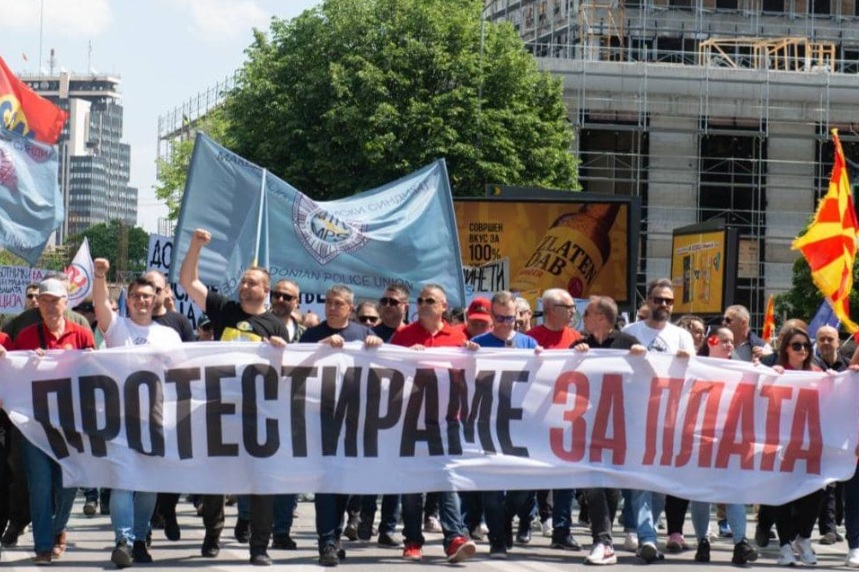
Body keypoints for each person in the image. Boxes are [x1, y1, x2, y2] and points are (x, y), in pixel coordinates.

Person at [179, 228, 287, 567]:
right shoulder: (224, 309)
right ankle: (213, 533)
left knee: (261, 482)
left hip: (258, 414)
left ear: (266, 290)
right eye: (243, 281)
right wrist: (195, 246)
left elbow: (285, 374)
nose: (245, 286)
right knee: (215, 479)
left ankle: (259, 546)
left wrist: (281, 351)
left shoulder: (276, 326)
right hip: (221, 409)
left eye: (253, 283)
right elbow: (188, 282)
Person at [93, 260, 183, 567]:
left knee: (147, 485)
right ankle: (124, 541)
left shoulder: (169, 336)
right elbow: (100, 303)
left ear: (155, 299)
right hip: (120, 420)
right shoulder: (118, 328)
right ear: (128, 300)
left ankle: (141, 538)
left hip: (156, 419)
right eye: (136, 296)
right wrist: (100, 276)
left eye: (147, 296)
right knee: (122, 482)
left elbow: (182, 374)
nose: (142, 300)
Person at [1, 278, 95, 564]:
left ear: (66, 303)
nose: (51, 306)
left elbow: (96, 375)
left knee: (68, 485)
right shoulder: (25, 336)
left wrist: (89, 360)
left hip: (70, 424)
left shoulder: (82, 334)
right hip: (35, 424)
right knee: (39, 486)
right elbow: (10, 370)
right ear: (37, 305)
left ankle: (58, 528)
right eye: (45, 301)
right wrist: (22, 361)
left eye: (56, 300)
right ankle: (43, 546)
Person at [390, 283, 477, 564]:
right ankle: (413, 540)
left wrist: (472, 355)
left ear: (443, 306)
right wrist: (405, 357)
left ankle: (454, 539)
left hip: (447, 420)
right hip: (410, 420)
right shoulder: (403, 335)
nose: (424, 304)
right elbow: (387, 373)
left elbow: (471, 376)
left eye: (430, 300)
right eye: (420, 300)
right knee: (412, 484)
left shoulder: (459, 337)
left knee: (447, 479)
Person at [298, 284, 383, 567]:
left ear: (350, 308)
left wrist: (377, 346)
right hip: (320, 418)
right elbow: (295, 367)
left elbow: (383, 368)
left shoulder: (363, 334)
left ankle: (334, 537)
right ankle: (326, 542)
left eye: (338, 303)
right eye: (329, 302)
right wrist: (320, 347)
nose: (332, 307)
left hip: (353, 420)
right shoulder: (312, 335)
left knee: (343, 483)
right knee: (325, 482)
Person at [622, 278, 695, 564]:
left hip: (669, 419)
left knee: (660, 484)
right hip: (637, 418)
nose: (663, 304)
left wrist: (687, 361)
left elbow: (695, 374)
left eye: (668, 301)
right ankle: (647, 537)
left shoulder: (682, 336)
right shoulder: (630, 332)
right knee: (640, 480)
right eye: (658, 299)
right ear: (648, 301)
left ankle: (649, 530)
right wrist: (630, 357)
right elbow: (613, 369)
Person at [571, 295, 645, 565]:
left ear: (601, 318)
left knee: (611, 484)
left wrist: (642, 356)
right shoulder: (582, 345)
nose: (583, 318)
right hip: (588, 426)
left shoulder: (628, 343)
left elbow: (648, 375)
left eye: (587, 313)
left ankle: (605, 541)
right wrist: (574, 356)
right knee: (593, 481)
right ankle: (602, 541)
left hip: (620, 426)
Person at [470, 291, 540, 559]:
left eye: (510, 318)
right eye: (499, 318)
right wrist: (468, 355)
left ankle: (506, 520)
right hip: (488, 424)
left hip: (521, 425)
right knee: (491, 490)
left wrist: (541, 359)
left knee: (522, 489)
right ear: (491, 316)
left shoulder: (528, 343)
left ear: (517, 316)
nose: (505, 324)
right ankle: (497, 540)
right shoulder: (479, 343)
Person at [688, 327, 759, 566]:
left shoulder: (741, 368)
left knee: (733, 490)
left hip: (730, 439)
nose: (730, 345)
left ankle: (740, 544)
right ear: (712, 341)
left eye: (731, 341)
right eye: (724, 341)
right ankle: (702, 541)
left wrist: (764, 369)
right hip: (701, 438)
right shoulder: (695, 366)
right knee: (700, 493)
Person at [526, 288, 583, 552]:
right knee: (528, 479)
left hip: (566, 418)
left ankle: (562, 530)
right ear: (550, 309)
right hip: (534, 418)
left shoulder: (577, 339)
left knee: (566, 479)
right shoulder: (531, 339)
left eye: (573, 307)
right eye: (567, 307)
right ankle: (523, 521)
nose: (572, 312)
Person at [357, 285, 411, 548]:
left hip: (404, 411)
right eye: (384, 301)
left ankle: (388, 527)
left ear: (405, 306)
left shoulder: (411, 335)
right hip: (373, 410)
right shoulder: (369, 333)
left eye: (394, 301)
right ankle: (365, 516)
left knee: (396, 472)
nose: (388, 305)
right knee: (371, 468)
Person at [142, 270, 194, 543]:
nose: (151, 294)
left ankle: (168, 508)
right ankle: (145, 526)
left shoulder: (179, 322)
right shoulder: (135, 321)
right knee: (147, 464)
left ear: (166, 292)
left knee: (173, 462)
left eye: (157, 289)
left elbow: (192, 359)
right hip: (142, 405)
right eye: (146, 288)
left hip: (174, 402)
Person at [769, 327, 824, 566]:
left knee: (817, 491)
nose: (802, 349)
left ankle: (803, 537)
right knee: (783, 495)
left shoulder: (818, 374)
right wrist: (771, 377)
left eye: (806, 345)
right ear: (786, 349)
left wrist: (845, 377)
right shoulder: (777, 372)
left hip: (811, 444)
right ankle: (784, 546)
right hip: (782, 445)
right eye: (796, 345)